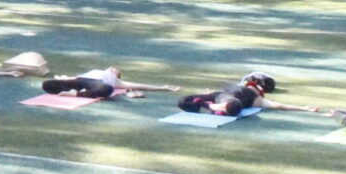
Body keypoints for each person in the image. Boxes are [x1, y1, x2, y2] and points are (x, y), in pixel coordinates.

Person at [176, 73, 280, 116]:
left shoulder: (257, 98)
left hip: (228, 101)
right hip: (219, 97)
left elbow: (278, 105)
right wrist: (208, 95)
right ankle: (209, 108)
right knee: (182, 102)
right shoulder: (256, 97)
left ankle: (209, 107)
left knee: (235, 106)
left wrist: (294, 107)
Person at [39, 67, 167, 100]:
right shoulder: (94, 71)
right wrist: (63, 79)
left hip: (97, 84)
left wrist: (162, 87)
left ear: (117, 75)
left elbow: (140, 85)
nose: (113, 69)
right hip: (80, 81)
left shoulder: (115, 80)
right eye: (113, 68)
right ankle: (70, 92)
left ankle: (77, 94)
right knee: (47, 84)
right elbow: (73, 78)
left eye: (116, 70)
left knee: (107, 88)